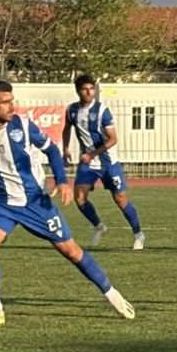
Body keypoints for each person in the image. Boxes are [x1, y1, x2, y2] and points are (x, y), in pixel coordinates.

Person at [0, 79, 136, 326]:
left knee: (72, 251)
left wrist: (62, 180)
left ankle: (111, 293)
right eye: (5, 102)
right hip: (0, 204)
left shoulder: (22, 125)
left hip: (35, 202)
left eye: (12, 101)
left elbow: (51, 150)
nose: (12, 106)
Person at [63, 74, 147, 251]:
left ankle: (138, 233)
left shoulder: (102, 111)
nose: (89, 92)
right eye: (85, 89)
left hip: (108, 163)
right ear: (78, 91)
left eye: (91, 88)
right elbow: (67, 128)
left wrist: (93, 154)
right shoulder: (71, 110)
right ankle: (99, 227)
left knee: (120, 199)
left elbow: (113, 139)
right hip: (88, 163)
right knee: (80, 198)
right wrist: (65, 148)